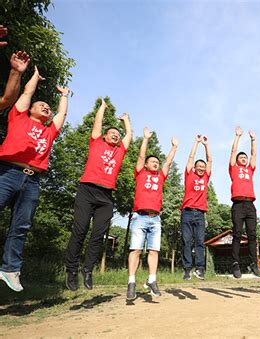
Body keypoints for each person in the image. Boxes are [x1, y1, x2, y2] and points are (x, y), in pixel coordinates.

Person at [0, 66, 70, 291]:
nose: (46, 107)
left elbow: (62, 115)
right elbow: (27, 94)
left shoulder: (50, 132)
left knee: (21, 226)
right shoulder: (18, 118)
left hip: (32, 181)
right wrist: (34, 78)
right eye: (42, 104)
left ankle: (10, 270)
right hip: (8, 172)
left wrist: (64, 96)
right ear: (29, 109)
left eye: (48, 107)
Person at [65, 99, 132, 291]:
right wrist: (102, 108)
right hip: (87, 190)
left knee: (99, 234)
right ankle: (71, 269)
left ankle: (88, 269)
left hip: (106, 196)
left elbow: (129, 135)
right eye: (112, 133)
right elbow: (97, 124)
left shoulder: (120, 151)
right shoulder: (96, 142)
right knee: (80, 229)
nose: (116, 136)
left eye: (118, 135)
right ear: (104, 136)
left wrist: (126, 120)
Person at [126, 128, 178, 300]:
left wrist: (174, 148)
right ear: (146, 165)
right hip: (139, 217)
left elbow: (168, 163)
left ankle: (152, 280)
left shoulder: (160, 177)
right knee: (136, 250)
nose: (156, 163)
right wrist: (146, 139)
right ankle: (131, 282)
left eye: (157, 161)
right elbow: (141, 156)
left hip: (155, 219)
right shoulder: (140, 173)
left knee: (154, 251)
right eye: (153, 161)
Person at [229, 126, 260, 278]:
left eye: (245, 158)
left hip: (250, 206)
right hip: (238, 205)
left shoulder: (250, 169)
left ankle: (253, 263)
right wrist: (238, 136)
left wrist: (253, 140)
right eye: (241, 158)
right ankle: (235, 264)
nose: (244, 159)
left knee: (252, 235)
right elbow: (233, 151)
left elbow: (254, 154)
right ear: (236, 161)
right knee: (237, 234)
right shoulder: (234, 168)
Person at [180, 134, 212, 280]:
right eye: (198, 166)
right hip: (186, 212)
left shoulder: (205, 176)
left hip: (200, 214)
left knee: (200, 242)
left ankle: (200, 269)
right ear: (194, 168)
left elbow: (210, 159)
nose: (201, 168)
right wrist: (196, 143)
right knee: (186, 241)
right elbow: (191, 157)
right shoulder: (189, 175)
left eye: (203, 167)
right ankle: (187, 269)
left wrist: (206, 145)